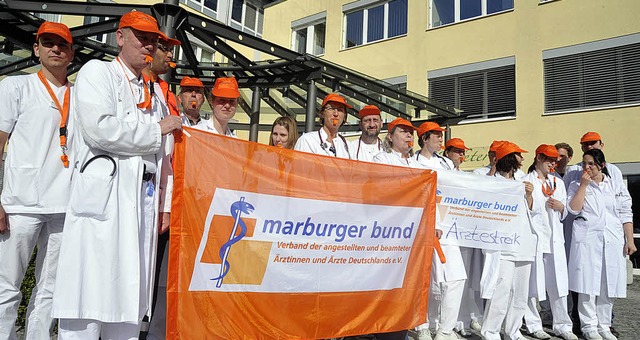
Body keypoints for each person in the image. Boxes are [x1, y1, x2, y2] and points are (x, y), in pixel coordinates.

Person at [51, 11, 182, 339]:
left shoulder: (154, 95)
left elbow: (166, 157)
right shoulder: (98, 73)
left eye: (153, 39)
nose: (149, 44)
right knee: (90, 298)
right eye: (142, 37)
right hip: (105, 204)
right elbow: (100, 130)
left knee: (128, 301)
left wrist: (165, 203)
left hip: (142, 205)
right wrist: (155, 129)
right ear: (120, 37)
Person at [0, 21, 74, 340]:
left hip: (65, 205)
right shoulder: (15, 87)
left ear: (72, 53)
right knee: (6, 285)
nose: (55, 49)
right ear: (36, 49)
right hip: (20, 203)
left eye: (62, 44)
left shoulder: (81, 95)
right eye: (48, 43)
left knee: (50, 289)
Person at [562, 132, 633, 338]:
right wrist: (583, 185)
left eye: (591, 164)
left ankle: (604, 325)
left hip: (611, 239)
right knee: (586, 284)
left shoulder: (613, 184)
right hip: (587, 239)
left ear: (601, 166)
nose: (587, 167)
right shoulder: (576, 184)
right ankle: (589, 327)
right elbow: (573, 210)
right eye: (585, 163)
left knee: (607, 283)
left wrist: (629, 239)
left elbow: (624, 212)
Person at [141, 31, 182, 340]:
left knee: (149, 278)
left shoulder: (165, 94)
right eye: (163, 48)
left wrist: (166, 207)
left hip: (157, 199)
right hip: (129, 195)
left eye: (170, 49)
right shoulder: (138, 87)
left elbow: (167, 161)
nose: (168, 54)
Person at [412, 122, 465, 340]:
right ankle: (421, 325)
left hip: (448, 226)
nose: (440, 140)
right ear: (424, 138)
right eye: (436, 136)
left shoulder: (445, 163)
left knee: (456, 277)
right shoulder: (412, 162)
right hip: (423, 226)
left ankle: (445, 330)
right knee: (424, 280)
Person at [480, 141, 535, 340]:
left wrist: (529, 195)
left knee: (521, 292)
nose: (522, 159)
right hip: (502, 245)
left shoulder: (522, 180)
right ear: (510, 159)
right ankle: (491, 331)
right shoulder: (491, 182)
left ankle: (513, 331)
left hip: (524, 242)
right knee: (501, 290)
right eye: (519, 155)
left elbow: (530, 209)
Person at [522, 145, 578, 340]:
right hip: (535, 239)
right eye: (549, 160)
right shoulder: (526, 180)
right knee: (531, 285)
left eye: (555, 160)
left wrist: (562, 206)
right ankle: (533, 324)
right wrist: (528, 195)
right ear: (538, 158)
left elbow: (565, 212)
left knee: (559, 283)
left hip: (554, 240)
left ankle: (563, 325)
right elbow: (524, 211)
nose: (553, 164)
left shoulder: (558, 182)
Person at [294, 93, 351, 158]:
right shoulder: (308, 140)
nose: (336, 114)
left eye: (340, 110)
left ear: (344, 116)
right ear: (322, 113)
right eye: (331, 108)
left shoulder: (348, 146)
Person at [142, 32, 181, 117]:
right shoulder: (135, 83)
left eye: (171, 50)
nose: (170, 55)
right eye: (165, 49)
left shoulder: (167, 92)